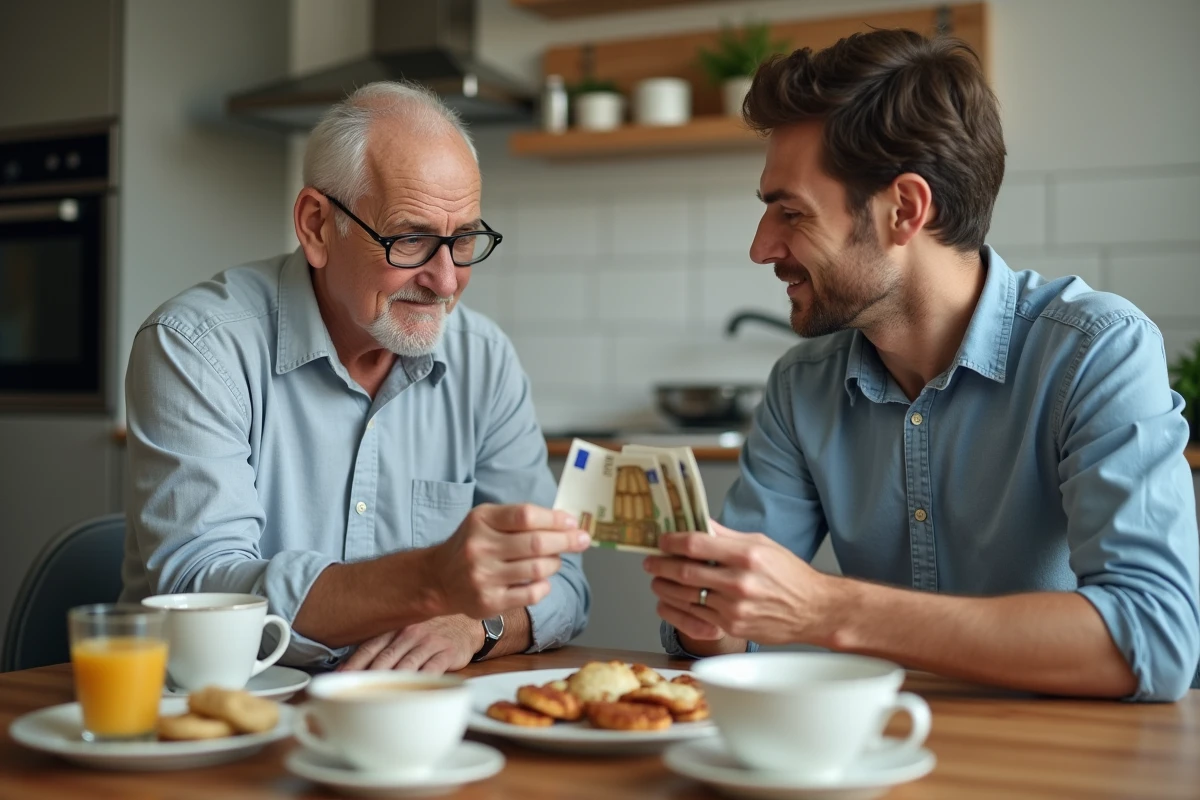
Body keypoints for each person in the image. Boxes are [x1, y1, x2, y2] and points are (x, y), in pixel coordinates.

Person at [644, 29, 1199, 701]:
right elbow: (727, 636)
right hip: (872, 748)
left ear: (904, 209)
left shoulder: (1095, 351)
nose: (763, 248)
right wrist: (706, 597)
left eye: (790, 213)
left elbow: (1156, 639)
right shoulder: (803, 385)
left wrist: (829, 608)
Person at [121, 81, 590, 673]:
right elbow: (200, 591)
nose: (446, 282)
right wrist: (429, 582)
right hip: (218, 717)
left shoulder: (484, 359)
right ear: (317, 225)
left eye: (464, 238)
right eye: (411, 238)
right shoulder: (196, 347)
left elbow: (564, 582)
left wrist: (475, 624)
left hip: (411, 721)